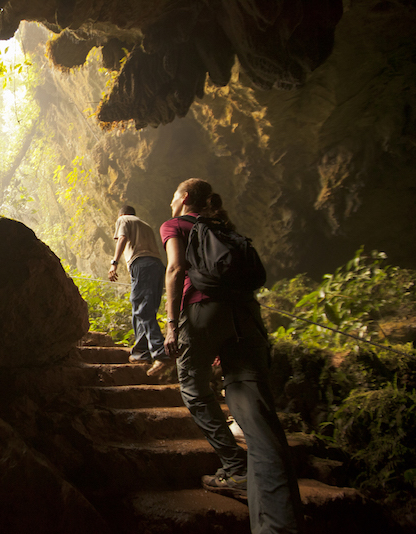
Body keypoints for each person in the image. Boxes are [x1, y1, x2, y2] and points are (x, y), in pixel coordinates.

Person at [160, 179, 305, 534]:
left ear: (184, 199)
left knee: (193, 387)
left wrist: (170, 325)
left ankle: (234, 467)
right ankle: (281, 523)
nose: (170, 201)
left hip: (201, 311)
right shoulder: (223, 229)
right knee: (255, 413)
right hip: (246, 316)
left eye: (173, 196)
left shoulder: (175, 224)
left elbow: (177, 269)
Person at [108, 205, 168, 368]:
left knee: (141, 308)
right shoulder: (145, 224)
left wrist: (114, 263)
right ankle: (141, 352)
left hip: (141, 263)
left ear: (120, 214)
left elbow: (122, 238)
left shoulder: (123, 219)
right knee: (145, 309)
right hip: (157, 265)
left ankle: (160, 352)